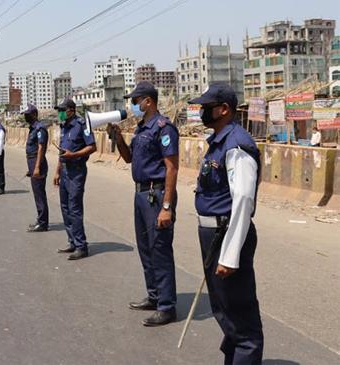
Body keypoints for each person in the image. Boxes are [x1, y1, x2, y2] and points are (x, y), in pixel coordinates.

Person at [189, 83, 263, 364]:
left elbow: (243, 199)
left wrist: (230, 255)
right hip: (213, 233)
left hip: (227, 234)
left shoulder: (237, 144)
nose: (202, 111)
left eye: (207, 106)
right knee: (224, 309)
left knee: (241, 317)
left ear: (224, 110)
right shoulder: (221, 141)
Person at [108, 81, 179, 326]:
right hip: (140, 194)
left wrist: (167, 206)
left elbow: (172, 167)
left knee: (159, 250)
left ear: (148, 101)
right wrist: (118, 139)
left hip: (156, 194)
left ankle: (167, 306)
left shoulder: (164, 128)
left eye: (136, 101)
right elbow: (128, 158)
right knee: (145, 248)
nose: (133, 105)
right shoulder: (141, 129)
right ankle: (154, 295)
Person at [54, 98, 97, 260]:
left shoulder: (81, 125)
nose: (60, 113)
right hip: (64, 171)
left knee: (74, 208)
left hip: (76, 171)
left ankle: (81, 246)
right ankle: (72, 241)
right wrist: (57, 171)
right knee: (65, 207)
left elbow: (92, 147)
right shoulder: (64, 127)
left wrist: (75, 155)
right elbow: (61, 151)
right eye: (59, 111)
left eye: (62, 110)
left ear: (71, 110)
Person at [22, 104, 49, 232]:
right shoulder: (32, 128)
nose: (26, 117)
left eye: (28, 115)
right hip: (33, 162)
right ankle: (40, 220)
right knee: (37, 194)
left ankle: (43, 223)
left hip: (38, 162)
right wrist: (31, 168)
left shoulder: (40, 128)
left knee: (39, 194)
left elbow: (41, 148)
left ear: (35, 114)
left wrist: (37, 167)